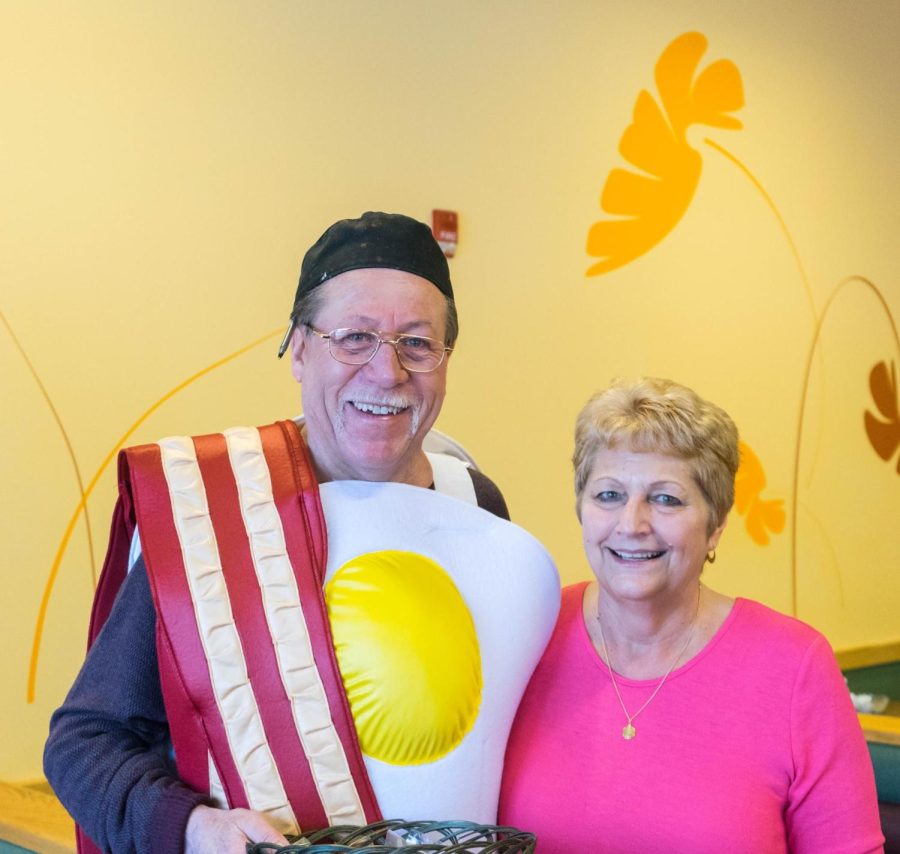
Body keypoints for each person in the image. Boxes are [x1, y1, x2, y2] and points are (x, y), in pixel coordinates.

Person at [45, 212, 559, 854]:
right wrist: (192, 828)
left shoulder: (475, 504)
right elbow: (85, 741)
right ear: (298, 347)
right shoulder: (211, 513)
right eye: (354, 337)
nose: (387, 371)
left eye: (417, 343)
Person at [499, 377, 884, 853]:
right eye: (609, 495)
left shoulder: (795, 666)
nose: (632, 524)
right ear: (581, 508)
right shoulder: (527, 633)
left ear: (716, 525)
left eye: (666, 499)